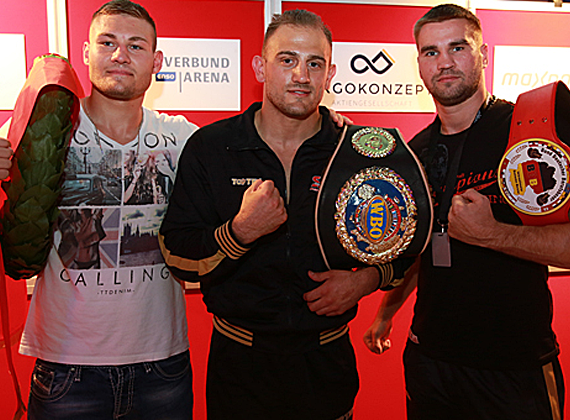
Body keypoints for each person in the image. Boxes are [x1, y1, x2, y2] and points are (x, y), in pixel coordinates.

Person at [159, 9, 405, 420]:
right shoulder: (212, 147)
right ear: (260, 67)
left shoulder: (359, 150)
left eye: (315, 64)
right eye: (287, 60)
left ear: (330, 74)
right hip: (240, 367)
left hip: (327, 365)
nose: (301, 76)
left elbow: (407, 241)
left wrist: (366, 279)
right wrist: (239, 232)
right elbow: (176, 253)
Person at [0, 1, 199, 418]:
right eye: (107, 42)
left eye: (135, 45)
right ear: (86, 53)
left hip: (161, 365)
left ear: (156, 61)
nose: (120, 55)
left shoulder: (182, 139)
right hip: (66, 369)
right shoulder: (35, 129)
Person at [363, 4, 570, 420]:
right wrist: (386, 312)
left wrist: (494, 234)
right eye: (431, 52)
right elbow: (421, 246)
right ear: (419, 65)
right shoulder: (416, 151)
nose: (444, 62)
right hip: (430, 359)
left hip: (514, 367)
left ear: (483, 54)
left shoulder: (531, 129)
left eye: (458, 47)